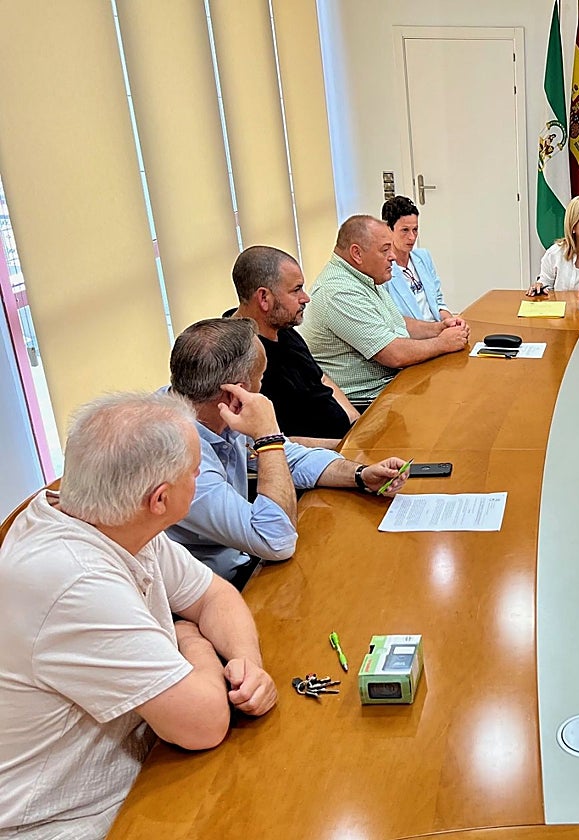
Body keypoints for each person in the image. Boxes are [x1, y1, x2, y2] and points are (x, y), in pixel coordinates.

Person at [0, 392, 276, 839]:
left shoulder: (109, 516)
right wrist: (194, 644)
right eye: (195, 471)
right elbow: (203, 723)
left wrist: (248, 664)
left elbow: (213, 597)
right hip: (67, 818)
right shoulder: (75, 581)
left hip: (142, 763)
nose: (199, 476)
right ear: (160, 498)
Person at [165, 318, 410, 583]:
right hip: (215, 588)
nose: (263, 389)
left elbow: (293, 458)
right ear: (235, 393)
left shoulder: (213, 411)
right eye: (260, 378)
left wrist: (359, 474)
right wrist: (267, 435)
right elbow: (276, 540)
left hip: (245, 561)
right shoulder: (179, 456)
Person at [300, 215, 471, 402]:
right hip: (368, 401)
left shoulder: (366, 275)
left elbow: (394, 321)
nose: (393, 256)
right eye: (385, 250)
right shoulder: (339, 292)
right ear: (357, 254)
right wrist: (443, 343)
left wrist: (438, 329)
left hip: (393, 384)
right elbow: (392, 354)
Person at [230, 245, 359, 446]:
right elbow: (271, 439)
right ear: (264, 298)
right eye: (296, 290)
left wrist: (357, 424)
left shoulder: (282, 327)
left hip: (348, 440)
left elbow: (321, 378)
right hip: (318, 461)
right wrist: (348, 446)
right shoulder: (239, 356)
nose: (305, 298)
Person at [380, 195, 453, 322]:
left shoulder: (423, 257)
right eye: (405, 230)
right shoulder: (383, 269)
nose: (412, 237)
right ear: (388, 229)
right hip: (413, 336)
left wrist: (451, 322)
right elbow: (395, 321)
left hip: (438, 328)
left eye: (415, 229)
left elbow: (438, 302)